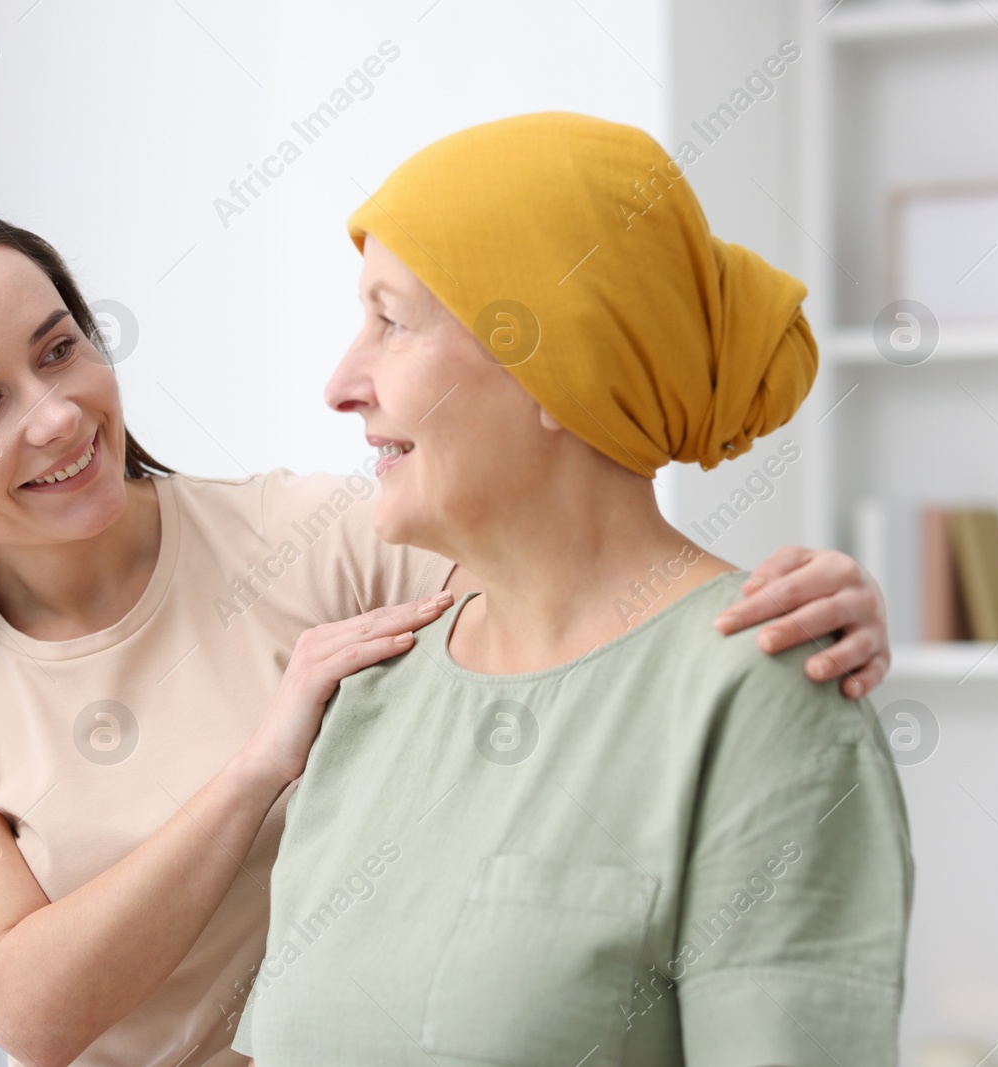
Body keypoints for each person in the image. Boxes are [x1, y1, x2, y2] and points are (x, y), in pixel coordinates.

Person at [0, 201, 895, 1067]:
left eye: (59, 348)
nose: (56, 413)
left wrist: (759, 605)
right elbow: (33, 1010)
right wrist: (260, 766)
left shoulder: (316, 540)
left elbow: (590, 608)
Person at [232, 112, 913, 1066]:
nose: (342, 382)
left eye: (391, 319)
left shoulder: (755, 691)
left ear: (556, 361)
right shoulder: (371, 692)